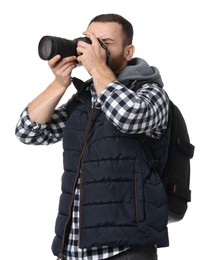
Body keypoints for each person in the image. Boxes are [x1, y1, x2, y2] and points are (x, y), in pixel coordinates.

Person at [15, 13, 170, 260]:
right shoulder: (85, 99)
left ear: (128, 51)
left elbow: (128, 116)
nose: (95, 49)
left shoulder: (150, 93)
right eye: (91, 40)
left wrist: (97, 68)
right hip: (73, 248)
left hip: (125, 249)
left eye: (105, 43)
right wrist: (59, 83)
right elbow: (28, 132)